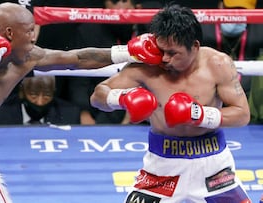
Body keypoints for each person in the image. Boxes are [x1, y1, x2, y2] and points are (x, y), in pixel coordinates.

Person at [0, 2, 154, 202]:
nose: (34, 37)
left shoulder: (26, 57)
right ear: (10, 33)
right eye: (30, 30)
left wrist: (128, 52)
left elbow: (76, 58)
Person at [90, 4, 251, 202]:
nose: (164, 58)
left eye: (173, 53)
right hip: (162, 166)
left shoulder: (218, 64)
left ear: (195, 46)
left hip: (214, 167)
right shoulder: (147, 66)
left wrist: (199, 115)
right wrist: (121, 98)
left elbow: (242, 115)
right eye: (161, 49)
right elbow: (98, 96)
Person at [0, 75, 81, 125]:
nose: (40, 102)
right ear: (22, 92)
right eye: (33, 95)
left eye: (47, 95)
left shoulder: (70, 114)